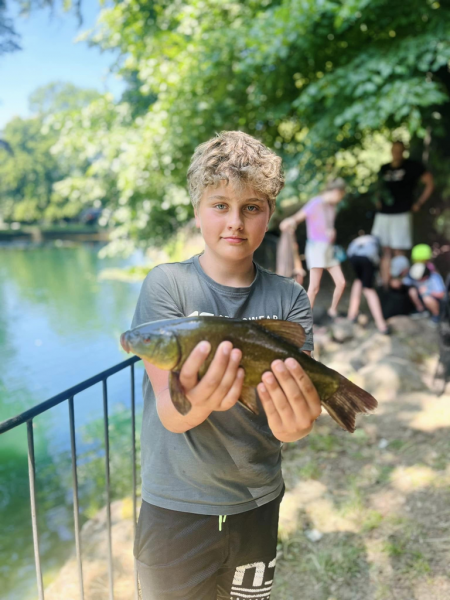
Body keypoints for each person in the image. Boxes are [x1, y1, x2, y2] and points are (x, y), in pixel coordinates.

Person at [131, 131, 321, 600]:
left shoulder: (290, 298)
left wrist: (299, 424)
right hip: (174, 507)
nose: (235, 221)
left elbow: (290, 425)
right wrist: (199, 400)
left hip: (256, 500)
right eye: (220, 205)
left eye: (251, 207)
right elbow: (170, 413)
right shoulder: (167, 286)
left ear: (269, 215)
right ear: (197, 211)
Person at [279, 178, 347, 318]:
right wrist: (288, 222)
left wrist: (331, 233)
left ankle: (332, 311)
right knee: (314, 288)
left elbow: (326, 227)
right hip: (316, 249)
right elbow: (297, 217)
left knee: (341, 282)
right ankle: (304, 321)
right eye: (341, 196)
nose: (340, 199)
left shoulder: (331, 207)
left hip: (328, 249)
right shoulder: (315, 203)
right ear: (336, 192)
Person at [372, 141, 434, 286]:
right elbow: (377, 187)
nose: (396, 153)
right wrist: (377, 200)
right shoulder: (384, 168)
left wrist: (419, 203)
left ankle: (399, 286)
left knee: (399, 250)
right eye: (394, 150)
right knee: (384, 249)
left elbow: (430, 183)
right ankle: (385, 284)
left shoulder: (412, 166)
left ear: (404, 151)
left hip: (402, 213)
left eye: (400, 150)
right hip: (384, 214)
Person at [346, 232, 390, 334]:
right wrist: (385, 283)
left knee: (359, 280)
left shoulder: (365, 239)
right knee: (368, 289)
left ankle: (351, 315)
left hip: (353, 256)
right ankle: (381, 324)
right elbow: (384, 266)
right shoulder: (378, 243)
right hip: (366, 258)